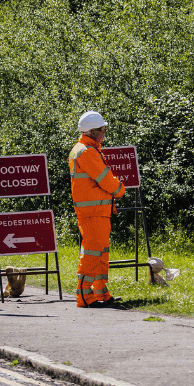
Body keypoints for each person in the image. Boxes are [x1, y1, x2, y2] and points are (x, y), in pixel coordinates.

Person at [70, 111, 126, 308]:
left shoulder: (86, 149)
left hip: (98, 212)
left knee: (100, 253)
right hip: (93, 213)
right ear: (93, 131)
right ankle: (85, 296)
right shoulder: (86, 152)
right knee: (93, 253)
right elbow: (107, 181)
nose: (105, 132)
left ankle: (101, 292)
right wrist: (120, 188)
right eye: (103, 129)